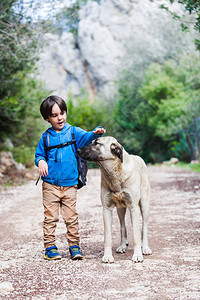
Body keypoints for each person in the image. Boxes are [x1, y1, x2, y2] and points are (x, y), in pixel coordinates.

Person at [35, 95, 106, 260]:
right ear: (47, 118)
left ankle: (74, 246)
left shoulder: (74, 132)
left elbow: (87, 137)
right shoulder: (45, 138)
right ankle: (50, 247)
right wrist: (41, 162)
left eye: (62, 113)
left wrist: (95, 132)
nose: (60, 117)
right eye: (54, 115)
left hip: (70, 185)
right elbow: (39, 155)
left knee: (71, 217)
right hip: (50, 185)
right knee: (50, 218)